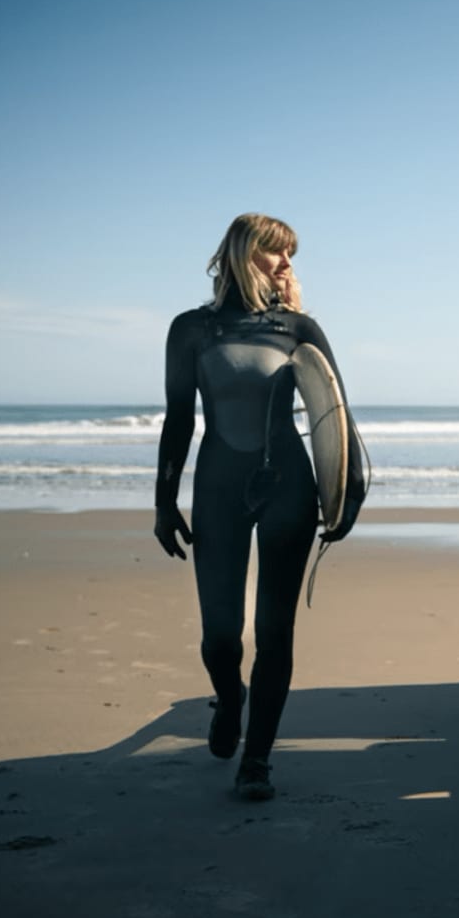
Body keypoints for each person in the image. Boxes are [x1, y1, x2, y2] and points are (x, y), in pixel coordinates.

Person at [154, 213, 365, 801]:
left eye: (291, 255)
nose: (287, 264)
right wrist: (163, 500)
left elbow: (336, 418)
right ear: (246, 253)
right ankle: (229, 699)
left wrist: (348, 492)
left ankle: (258, 760)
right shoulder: (191, 330)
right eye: (277, 252)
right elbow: (178, 420)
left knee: (275, 632)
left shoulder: (300, 328)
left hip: (286, 487)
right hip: (219, 486)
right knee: (221, 637)